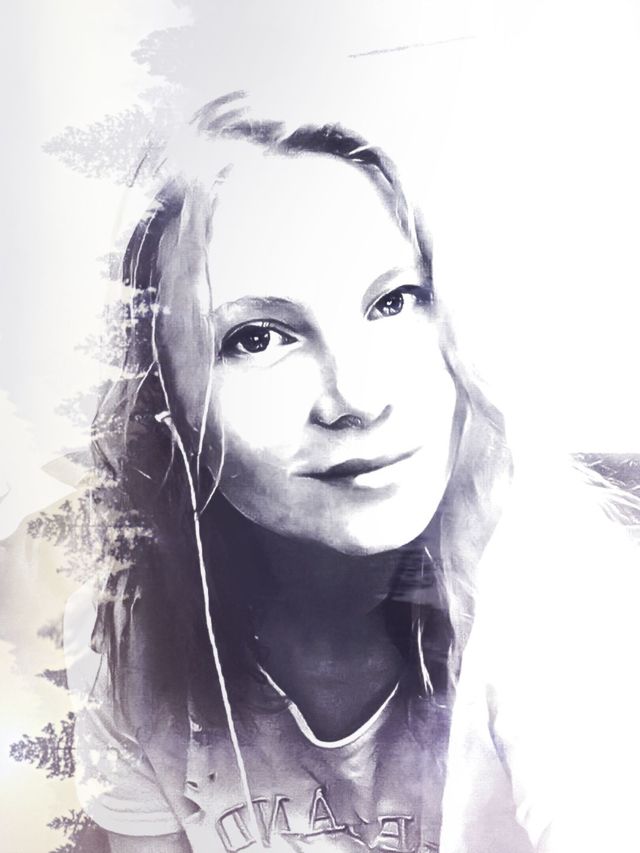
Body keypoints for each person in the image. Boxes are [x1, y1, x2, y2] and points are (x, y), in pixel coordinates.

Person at [64, 93, 640, 853]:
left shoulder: (562, 590)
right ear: (165, 407)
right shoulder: (128, 631)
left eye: (395, 300)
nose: (359, 397)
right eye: (258, 337)